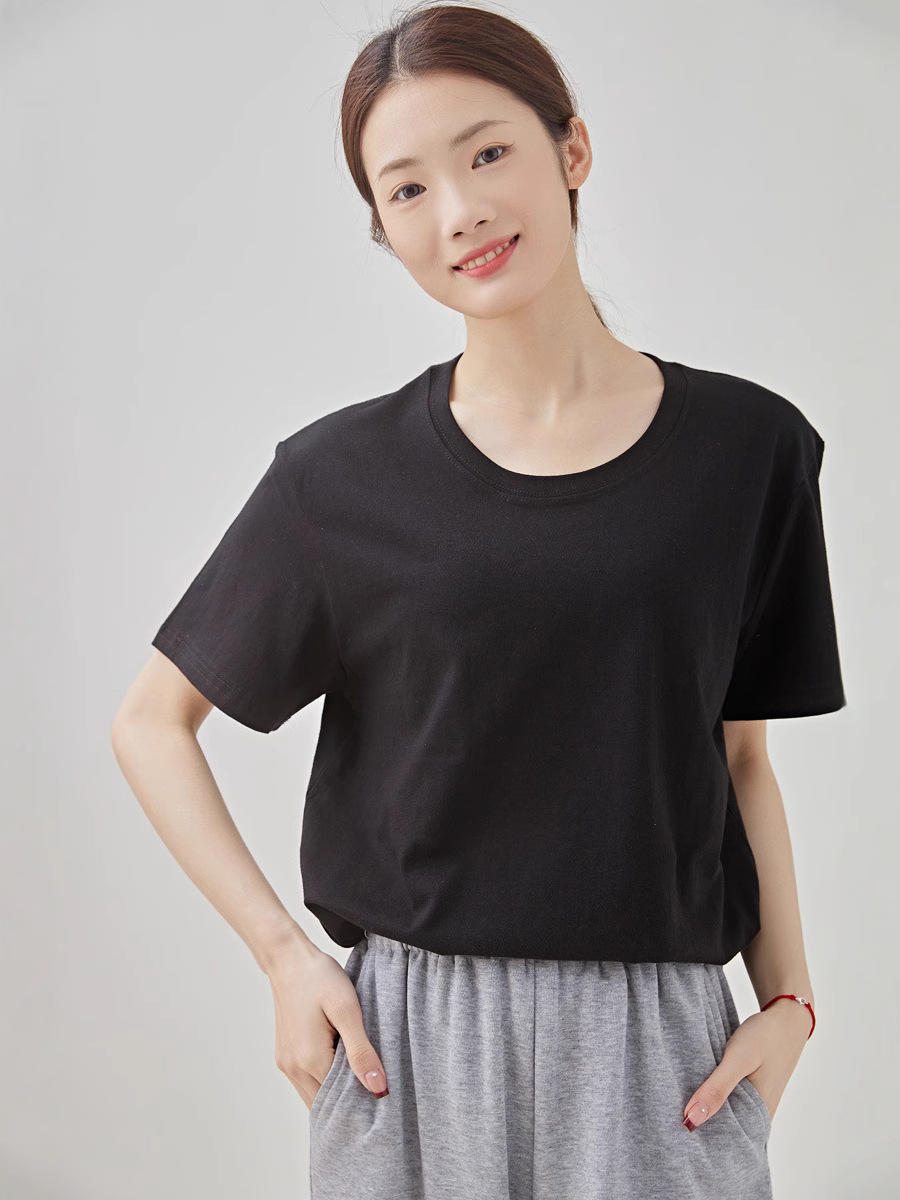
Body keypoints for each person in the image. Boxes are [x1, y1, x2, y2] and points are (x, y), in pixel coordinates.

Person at [111, 4, 847, 1197]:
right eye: (406, 189)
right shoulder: (339, 479)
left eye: (488, 152)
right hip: (411, 1047)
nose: (458, 211)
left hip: (661, 1049)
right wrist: (284, 958)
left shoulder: (748, 452)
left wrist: (791, 1004)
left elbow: (742, 759)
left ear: (573, 149)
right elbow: (151, 723)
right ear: (383, 226)